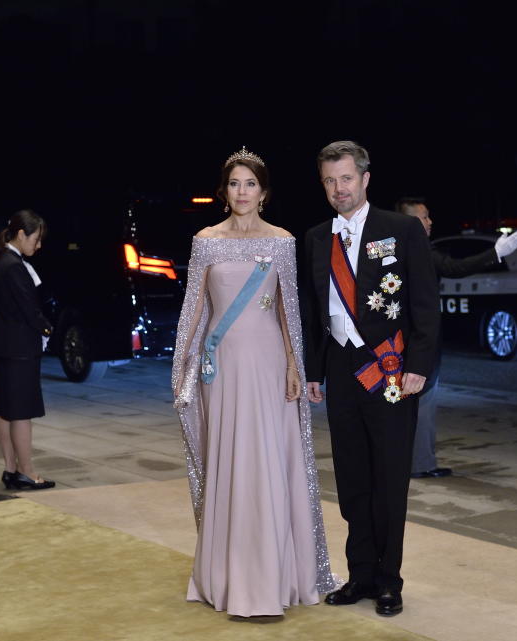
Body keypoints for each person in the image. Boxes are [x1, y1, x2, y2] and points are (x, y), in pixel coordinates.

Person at [172, 147, 337, 618]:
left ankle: (273, 578)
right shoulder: (205, 240)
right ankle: (228, 578)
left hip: (268, 367)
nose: (242, 192)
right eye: (234, 184)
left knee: (267, 462)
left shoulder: (282, 241)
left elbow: (290, 312)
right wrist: (184, 368)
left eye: (250, 184)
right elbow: (194, 310)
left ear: (263, 191)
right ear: (224, 192)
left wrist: (294, 365)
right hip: (221, 369)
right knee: (231, 464)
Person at [301, 141, 439, 617]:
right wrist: (313, 373)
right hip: (341, 370)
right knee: (353, 477)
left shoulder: (400, 230)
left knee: (389, 478)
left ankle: (389, 580)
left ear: (364, 178)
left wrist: (420, 364)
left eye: (345, 178)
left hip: (392, 368)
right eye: (329, 181)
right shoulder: (318, 237)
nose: (338, 189)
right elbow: (311, 311)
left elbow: (424, 301)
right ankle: (359, 573)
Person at [396, 197, 517, 478]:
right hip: (419, 342)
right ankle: (420, 465)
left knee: (407, 407)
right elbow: (456, 268)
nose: (430, 222)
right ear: (408, 222)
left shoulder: (389, 250)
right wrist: (496, 253)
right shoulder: (418, 250)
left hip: (401, 341)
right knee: (422, 404)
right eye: (424, 217)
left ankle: (409, 463)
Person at [0, 210, 55, 491]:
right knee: (21, 413)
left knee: (5, 410)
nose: (38, 246)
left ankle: (10, 469)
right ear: (21, 234)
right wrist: (47, 330)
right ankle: (27, 472)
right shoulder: (13, 265)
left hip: (4, 343)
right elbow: (30, 309)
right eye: (36, 239)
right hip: (20, 347)